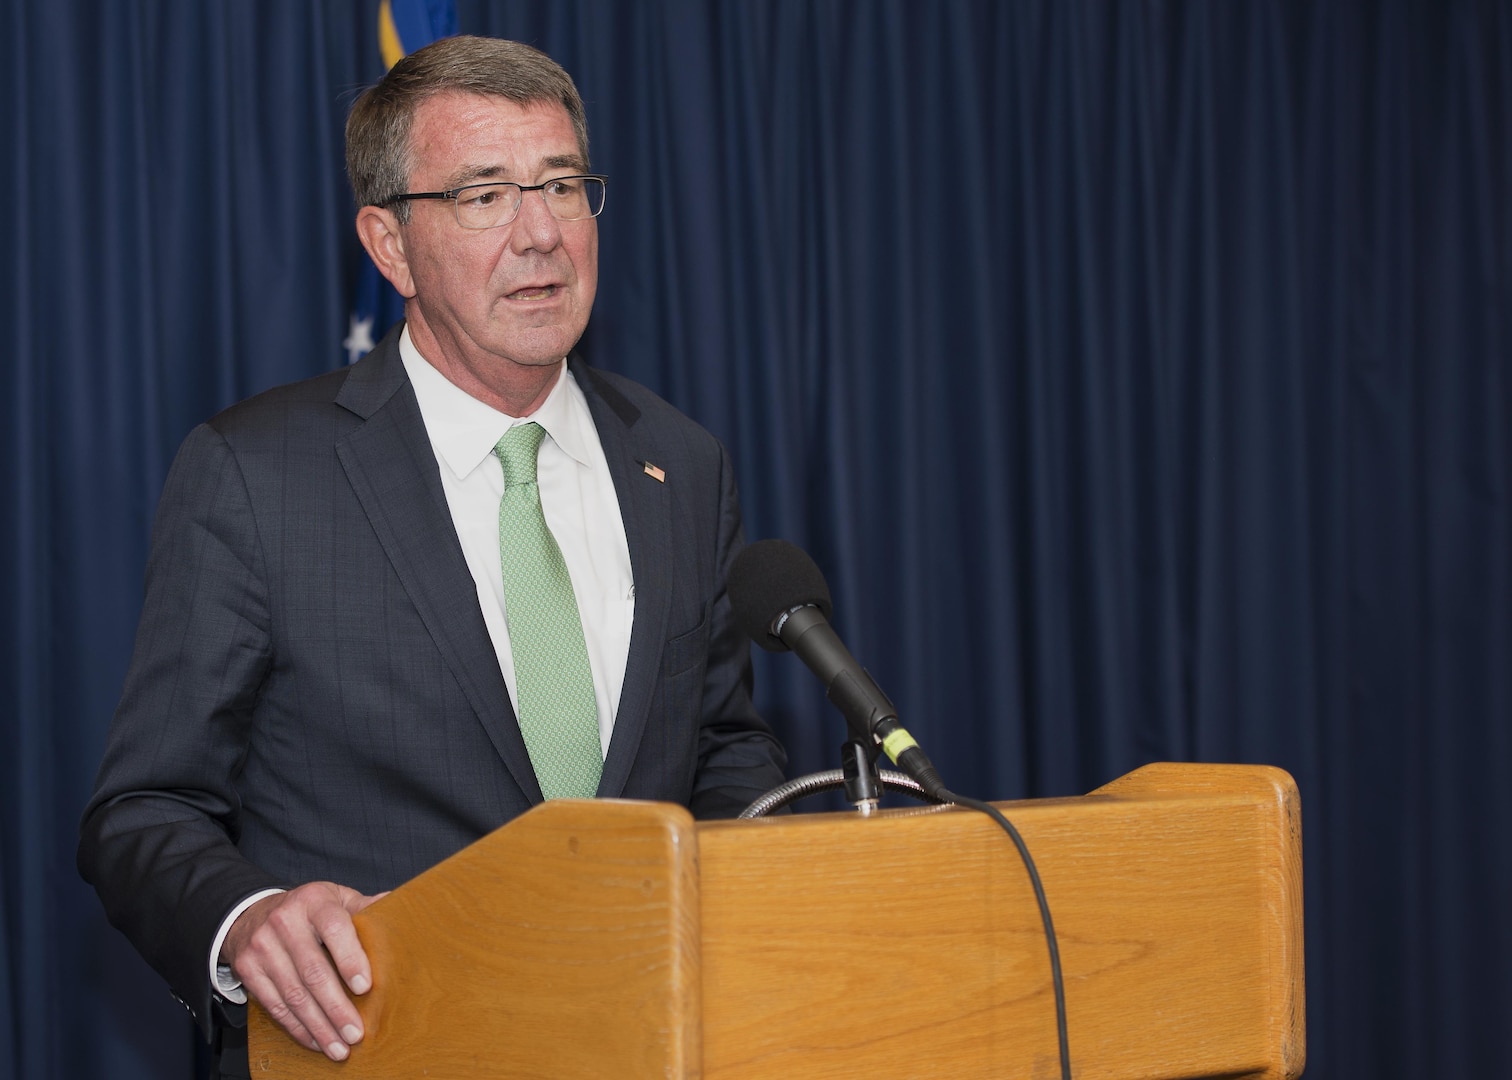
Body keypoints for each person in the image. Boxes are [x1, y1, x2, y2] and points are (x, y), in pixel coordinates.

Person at [77, 35, 787, 1078]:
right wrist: (247, 920)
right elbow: (143, 810)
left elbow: (722, 746)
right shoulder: (257, 474)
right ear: (391, 245)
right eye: (484, 197)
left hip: (651, 1041)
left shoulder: (680, 461)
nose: (542, 234)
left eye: (561, 185)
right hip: (380, 1048)